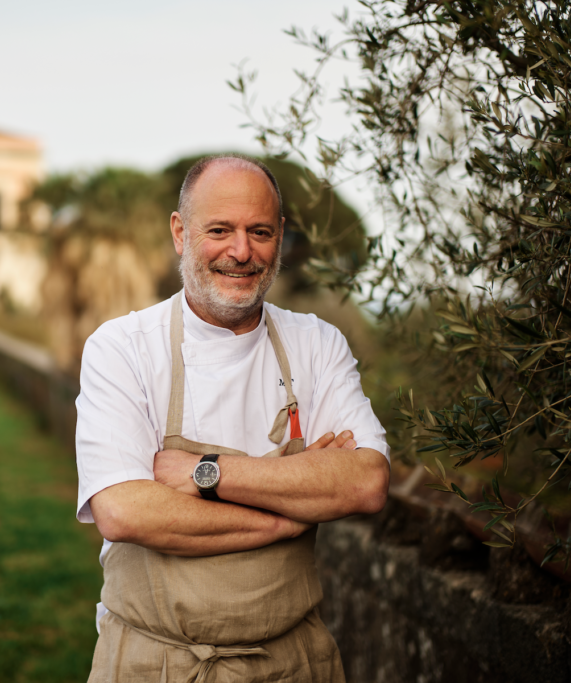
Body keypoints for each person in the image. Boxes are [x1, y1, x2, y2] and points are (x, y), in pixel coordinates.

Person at [75, 155, 390, 682]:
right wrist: (286, 517)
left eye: (259, 232)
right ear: (181, 233)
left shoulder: (317, 344)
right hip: (155, 663)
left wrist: (206, 473)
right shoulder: (123, 348)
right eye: (219, 230)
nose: (241, 252)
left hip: (294, 663)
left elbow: (366, 481)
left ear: (280, 236)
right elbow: (125, 511)